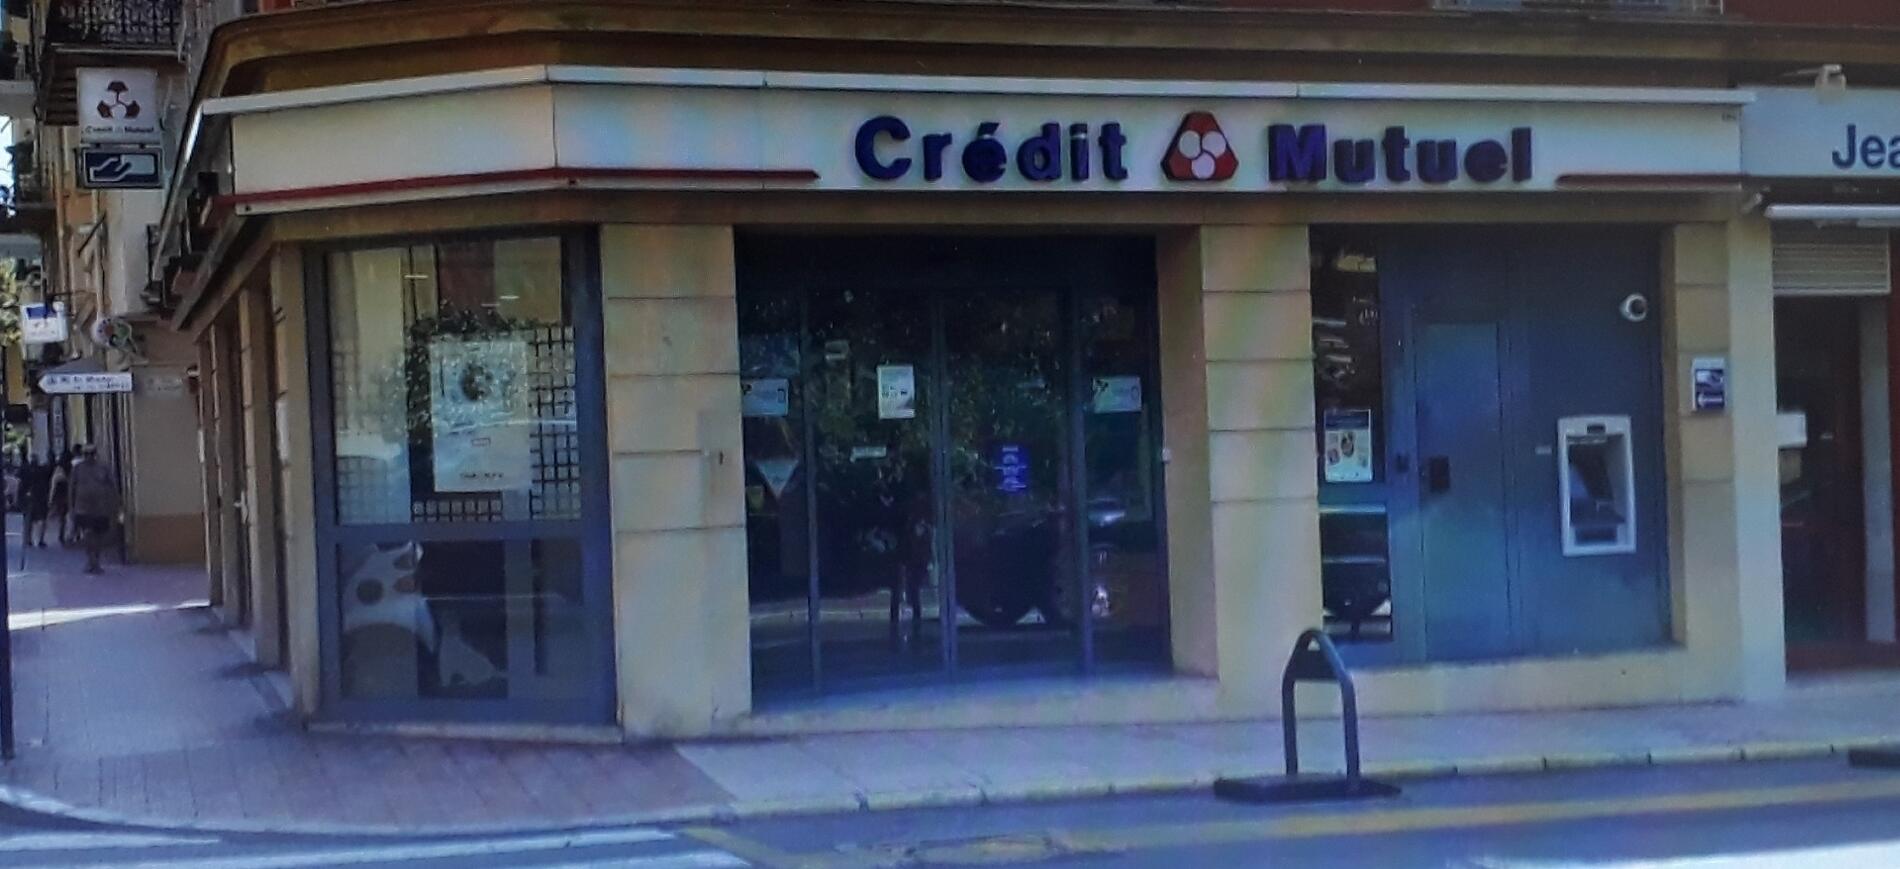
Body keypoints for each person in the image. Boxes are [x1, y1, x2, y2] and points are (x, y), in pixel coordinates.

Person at [67, 446, 119, 574]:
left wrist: (114, 503)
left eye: (92, 453)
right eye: (86, 454)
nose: (89, 456)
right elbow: (71, 488)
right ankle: (92, 560)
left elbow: (112, 486)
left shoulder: (104, 468)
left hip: (101, 508)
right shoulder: (77, 469)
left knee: (99, 535)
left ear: (95, 454)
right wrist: (71, 507)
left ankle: (96, 559)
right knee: (88, 534)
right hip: (83, 508)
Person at [20, 456, 49, 547]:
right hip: (40, 497)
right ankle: (40, 540)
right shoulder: (42, 471)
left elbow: (22, 484)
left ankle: (28, 539)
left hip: (30, 496)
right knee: (42, 519)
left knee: (29, 519)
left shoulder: (26, 471)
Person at [46, 452, 70, 546]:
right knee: (66, 517)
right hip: (68, 495)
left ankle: (62, 534)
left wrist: (50, 499)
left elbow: (54, 485)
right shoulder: (71, 469)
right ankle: (68, 535)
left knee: (61, 517)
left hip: (60, 497)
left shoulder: (58, 470)